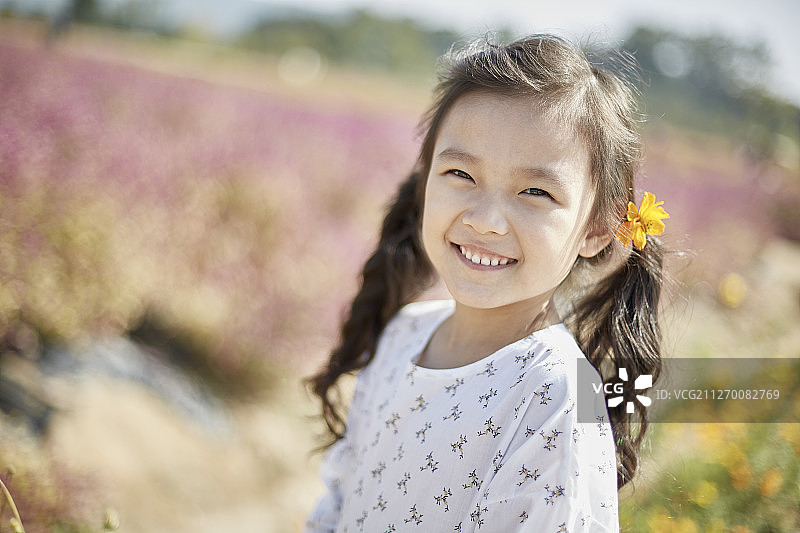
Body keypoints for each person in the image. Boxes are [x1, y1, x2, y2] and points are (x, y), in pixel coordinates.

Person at [305, 33, 668, 532]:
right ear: (425, 178)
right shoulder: (404, 333)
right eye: (461, 174)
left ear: (597, 229)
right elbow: (338, 505)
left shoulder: (557, 397)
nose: (487, 221)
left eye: (535, 191)